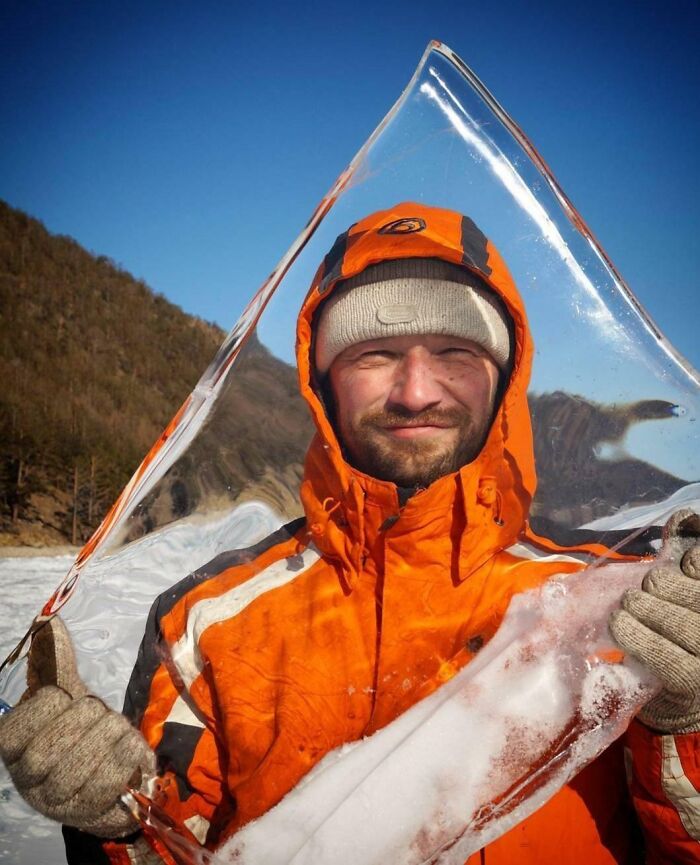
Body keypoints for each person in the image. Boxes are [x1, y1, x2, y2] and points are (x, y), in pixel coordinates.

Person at [1, 203, 699, 865]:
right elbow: (162, 846)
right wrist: (112, 815)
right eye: (375, 352)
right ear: (323, 377)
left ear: (504, 375)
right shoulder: (206, 620)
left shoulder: (614, 601)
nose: (416, 390)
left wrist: (686, 720)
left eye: (455, 348)